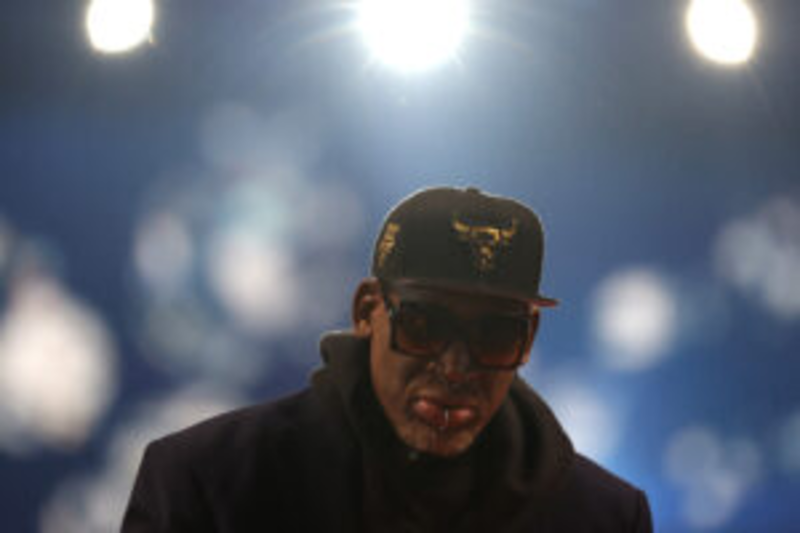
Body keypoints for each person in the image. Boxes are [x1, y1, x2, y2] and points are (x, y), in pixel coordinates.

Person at [121, 186, 653, 532]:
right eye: (426, 325)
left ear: (529, 337)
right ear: (366, 311)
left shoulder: (603, 519)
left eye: (494, 334)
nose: (456, 367)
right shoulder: (205, 484)